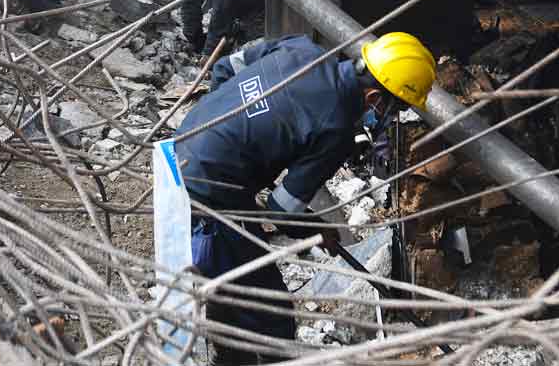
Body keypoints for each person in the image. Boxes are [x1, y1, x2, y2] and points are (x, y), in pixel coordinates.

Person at [175, 32, 437, 365]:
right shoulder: (335, 128)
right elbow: (281, 210)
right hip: (210, 195)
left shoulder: (302, 48)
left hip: (181, 144)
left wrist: (225, 127)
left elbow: (228, 66)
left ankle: (230, 354)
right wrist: (318, 231)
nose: (390, 121)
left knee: (231, 289)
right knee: (270, 311)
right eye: (395, 110)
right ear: (375, 99)